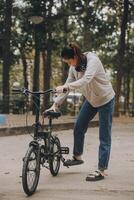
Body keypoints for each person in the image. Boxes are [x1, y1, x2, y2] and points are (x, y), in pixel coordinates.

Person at [47, 43, 115, 181]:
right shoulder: (74, 68)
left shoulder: (93, 61)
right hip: (91, 100)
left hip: (106, 99)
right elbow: (68, 86)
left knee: (104, 136)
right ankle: (77, 157)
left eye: (70, 61)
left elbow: (86, 80)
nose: (69, 65)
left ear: (76, 56)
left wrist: (66, 86)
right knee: (78, 126)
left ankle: (101, 170)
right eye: (67, 62)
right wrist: (55, 104)